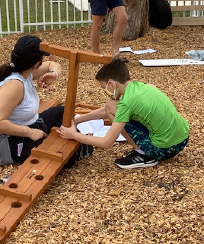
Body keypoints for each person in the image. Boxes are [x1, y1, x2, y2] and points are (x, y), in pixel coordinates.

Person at [0, 34, 93, 167]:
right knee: (63, 155)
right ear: (35, 64)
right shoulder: (14, 85)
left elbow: (53, 64)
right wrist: (30, 132)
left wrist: (54, 74)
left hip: (30, 124)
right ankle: (76, 143)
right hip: (5, 141)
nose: (43, 61)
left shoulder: (24, 71)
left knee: (61, 111)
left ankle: (75, 140)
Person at [58, 59, 189, 169]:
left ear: (111, 83)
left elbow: (106, 143)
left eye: (104, 87)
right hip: (183, 138)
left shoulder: (127, 103)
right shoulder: (142, 86)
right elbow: (107, 109)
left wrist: (73, 135)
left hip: (163, 149)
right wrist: (78, 120)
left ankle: (142, 155)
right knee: (111, 106)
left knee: (111, 106)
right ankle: (146, 150)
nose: (104, 91)